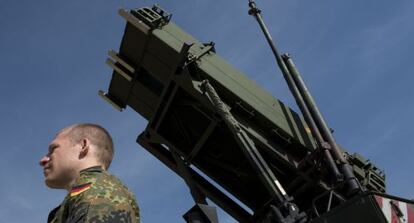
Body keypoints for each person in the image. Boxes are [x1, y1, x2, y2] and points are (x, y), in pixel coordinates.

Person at [39, 123, 140, 223]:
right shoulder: (90, 192)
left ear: (83, 146)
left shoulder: (98, 191)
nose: (43, 160)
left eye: (53, 149)